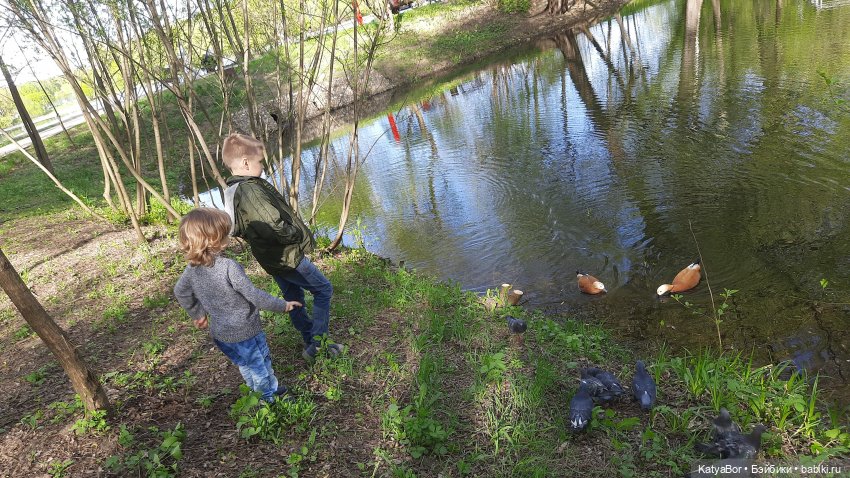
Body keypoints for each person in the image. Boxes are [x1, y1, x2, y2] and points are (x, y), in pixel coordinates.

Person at [221, 133, 341, 363]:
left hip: (271, 258)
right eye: (259, 161)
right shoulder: (250, 190)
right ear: (245, 163)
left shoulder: (234, 190)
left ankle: (309, 340)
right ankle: (318, 345)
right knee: (323, 289)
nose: (262, 166)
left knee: (293, 297)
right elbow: (274, 224)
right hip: (287, 256)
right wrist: (296, 234)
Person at [174, 208, 301, 402]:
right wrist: (282, 305)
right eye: (224, 234)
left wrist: (197, 314)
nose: (228, 237)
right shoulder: (228, 267)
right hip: (245, 331)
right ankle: (267, 400)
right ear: (212, 240)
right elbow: (253, 295)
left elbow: (180, 291)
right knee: (260, 365)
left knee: (246, 364)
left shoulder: (191, 269)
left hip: (222, 335)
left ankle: (257, 392)